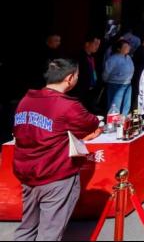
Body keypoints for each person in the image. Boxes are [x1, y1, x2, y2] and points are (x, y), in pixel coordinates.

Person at [13, 59, 101, 241]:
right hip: (55, 174)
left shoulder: (26, 100)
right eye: (77, 75)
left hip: (28, 172)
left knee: (27, 228)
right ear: (69, 78)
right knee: (50, 233)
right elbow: (91, 122)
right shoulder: (67, 105)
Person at [103, 40, 134, 115]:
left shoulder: (128, 57)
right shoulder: (113, 59)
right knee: (115, 105)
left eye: (128, 46)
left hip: (128, 83)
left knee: (126, 104)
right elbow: (107, 72)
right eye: (125, 46)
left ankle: (124, 118)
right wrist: (105, 80)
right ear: (119, 49)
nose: (128, 48)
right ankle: (114, 120)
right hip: (115, 84)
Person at [71, 34, 101, 110]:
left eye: (98, 44)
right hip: (80, 88)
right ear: (87, 44)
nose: (97, 46)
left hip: (91, 88)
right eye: (95, 43)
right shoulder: (78, 57)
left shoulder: (93, 57)